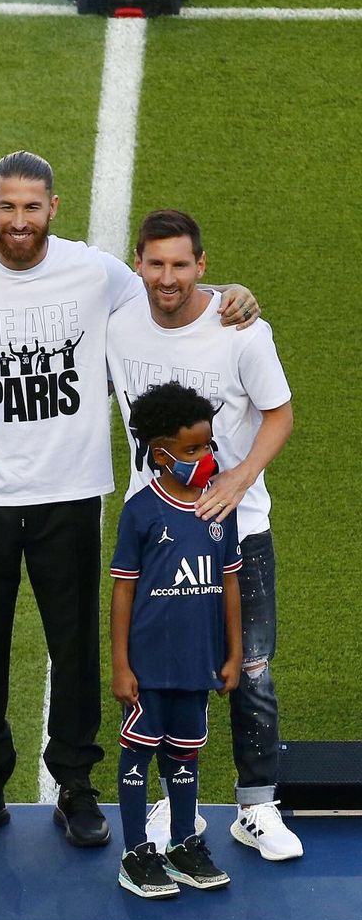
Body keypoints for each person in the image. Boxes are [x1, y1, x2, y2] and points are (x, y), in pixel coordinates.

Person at [0, 151, 257, 849]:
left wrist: (231, 293)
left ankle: (75, 786)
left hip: (69, 493)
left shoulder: (96, 272)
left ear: (53, 208)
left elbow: (171, 295)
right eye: (7, 206)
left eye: (31, 207)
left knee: (74, 648)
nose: (19, 220)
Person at [107, 209, 302, 861]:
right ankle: (174, 803)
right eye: (156, 264)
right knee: (163, 671)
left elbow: (279, 414)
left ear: (202, 265)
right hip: (157, 538)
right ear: (137, 264)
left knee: (251, 668)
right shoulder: (118, 326)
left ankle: (256, 807)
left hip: (238, 529)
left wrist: (239, 479)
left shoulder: (241, 331)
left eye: (181, 265)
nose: (168, 278)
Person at [110, 383, 241, 897]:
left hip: (197, 664)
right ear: (161, 454)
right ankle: (136, 854)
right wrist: (121, 664)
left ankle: (183, 844)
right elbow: (123, 590)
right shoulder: (141, 512)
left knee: (185, 756)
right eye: (192, 449)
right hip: (149, 667)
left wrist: (233, 653)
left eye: (207, 445)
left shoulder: (219, 509)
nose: (204, 456)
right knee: (139, 754)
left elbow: (229, 584)